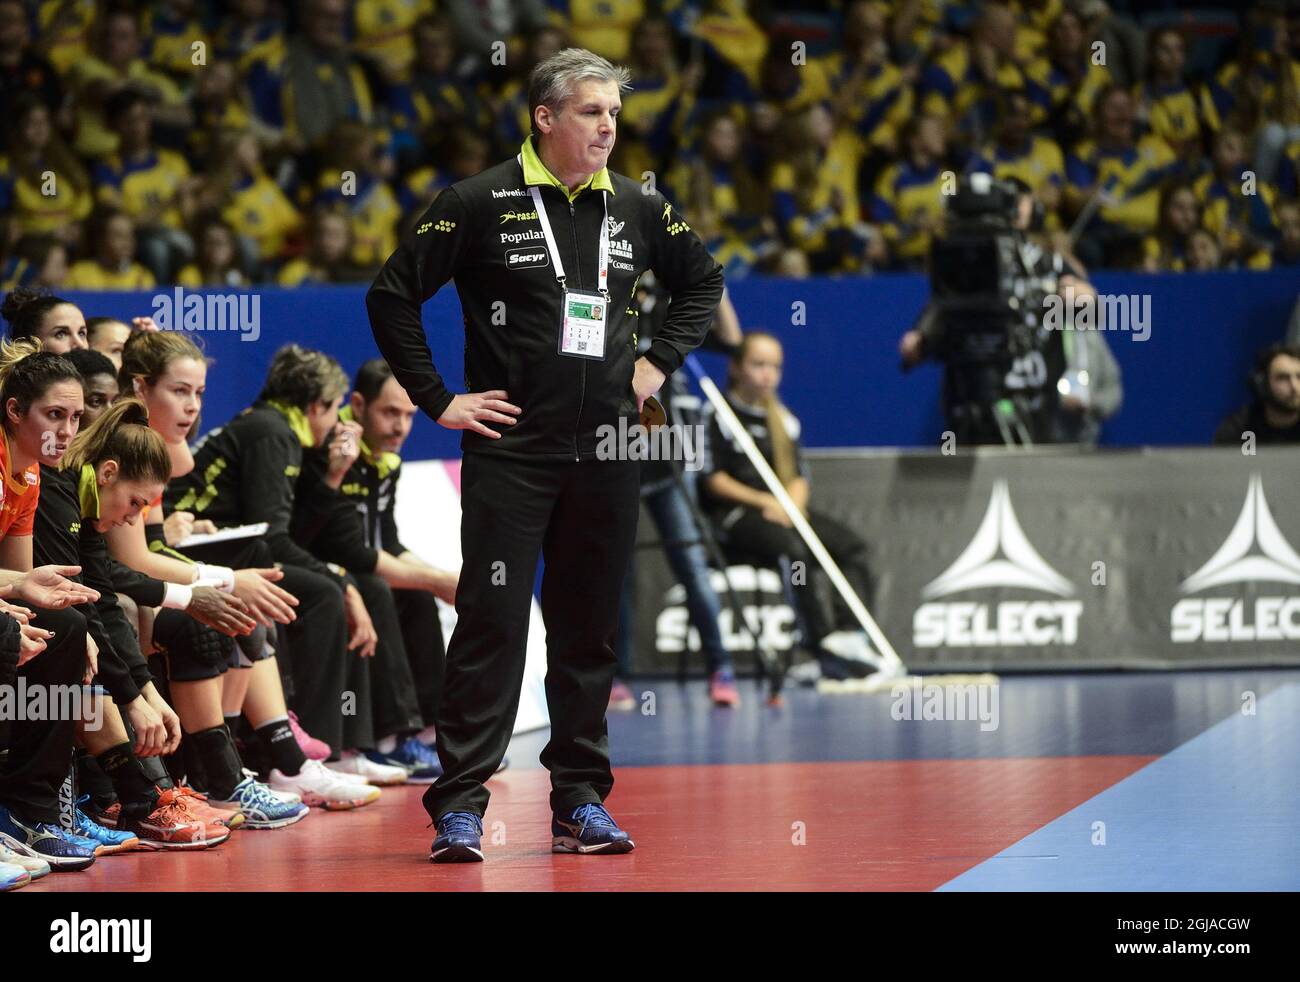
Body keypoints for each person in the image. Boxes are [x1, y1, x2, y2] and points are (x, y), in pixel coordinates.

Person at [367, 47, 724, 862]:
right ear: (546, 117)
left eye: (614, 114)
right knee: (491, 626)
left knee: (587, 632)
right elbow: (392, 295)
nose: (608, 127)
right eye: (593, 112)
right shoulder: (478, 202)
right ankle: (459, 806)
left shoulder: (636, 205)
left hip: (607, 451)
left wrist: (656, 362)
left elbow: (702, 280)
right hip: (513, 453)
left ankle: (580, 801)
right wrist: (439, 400)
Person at [292, 359, 465, 780]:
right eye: (391, 413)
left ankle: (429, 732)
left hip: (354, 564)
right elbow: (353, 552)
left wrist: (450, 580)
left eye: (409, 415)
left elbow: (388, 543)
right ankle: (391, 739)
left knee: (418, 594)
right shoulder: (329, 449)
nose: (401, 427)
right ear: (358, 404)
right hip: (311, 565)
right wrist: (442, 581)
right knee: (377, 588)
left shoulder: (386, 461)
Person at [699, 332, 878, 680]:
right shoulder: (715, 413)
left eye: (775, 367)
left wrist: (791, 505)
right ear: (736, 368)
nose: (768, 374)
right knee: (794, 550)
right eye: (758, 364)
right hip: (736, 516)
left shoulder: (784, 419)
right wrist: (766, 501)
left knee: (853, 547)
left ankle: (849, 637)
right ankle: (817, 646)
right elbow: (713, 480)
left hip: (784, 512)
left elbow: (799, 477)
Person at [1214, 343, 1300, 445]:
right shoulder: (1240, 429)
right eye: (1283, 378)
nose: (1294, 387)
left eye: (1299, 377)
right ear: (1262, 384)